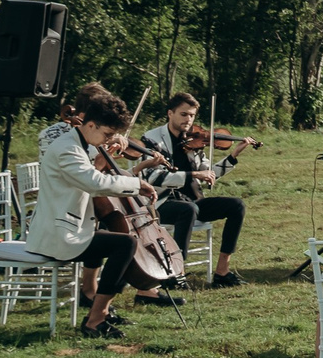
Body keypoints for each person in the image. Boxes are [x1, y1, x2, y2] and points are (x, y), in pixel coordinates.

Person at [24, 83, 153, 339]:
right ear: (90, 124)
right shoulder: (66, 149)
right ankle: (96, 319)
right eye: (106, 134)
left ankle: (98, 310)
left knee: (118, 239)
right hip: (57, 235)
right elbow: (94, 183)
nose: (108, 140)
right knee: (125, 244)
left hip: (72, 227)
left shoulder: (80, 143)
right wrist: (137, 184)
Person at [139, 92, 249, 287]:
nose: (188, 120)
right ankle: (175, 273)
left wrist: (232, 156)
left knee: (236, 205)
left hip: (193, 201)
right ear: (170, 113)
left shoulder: (194, 141)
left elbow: (208, 173)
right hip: (162, 202)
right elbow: (154, 177)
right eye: (183, 114)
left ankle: (222, 272)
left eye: (191, 115)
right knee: (187, 210)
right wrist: (193, 175)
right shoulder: (151, 139)